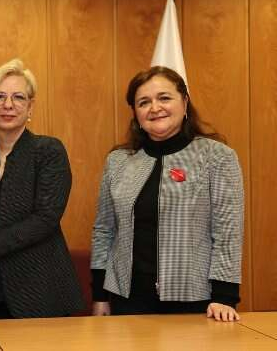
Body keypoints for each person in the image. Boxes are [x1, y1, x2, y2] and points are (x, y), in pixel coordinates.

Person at [91, 66, 243, 322]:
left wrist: (225, 297)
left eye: (164, 97)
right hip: (126, 300)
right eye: (144, 102)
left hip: (196, 300)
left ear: (184, 102)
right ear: (135, 113)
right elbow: (104, 230)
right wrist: (99, 296)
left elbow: (227, 231)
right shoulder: (117, 161)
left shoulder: (217, 157)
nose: (155, 107)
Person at [0, 59, 84, 320]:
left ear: (30, 106)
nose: (8, 105)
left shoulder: (48, 151)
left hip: (39, 291)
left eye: (18, 97)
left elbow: (46, 218)